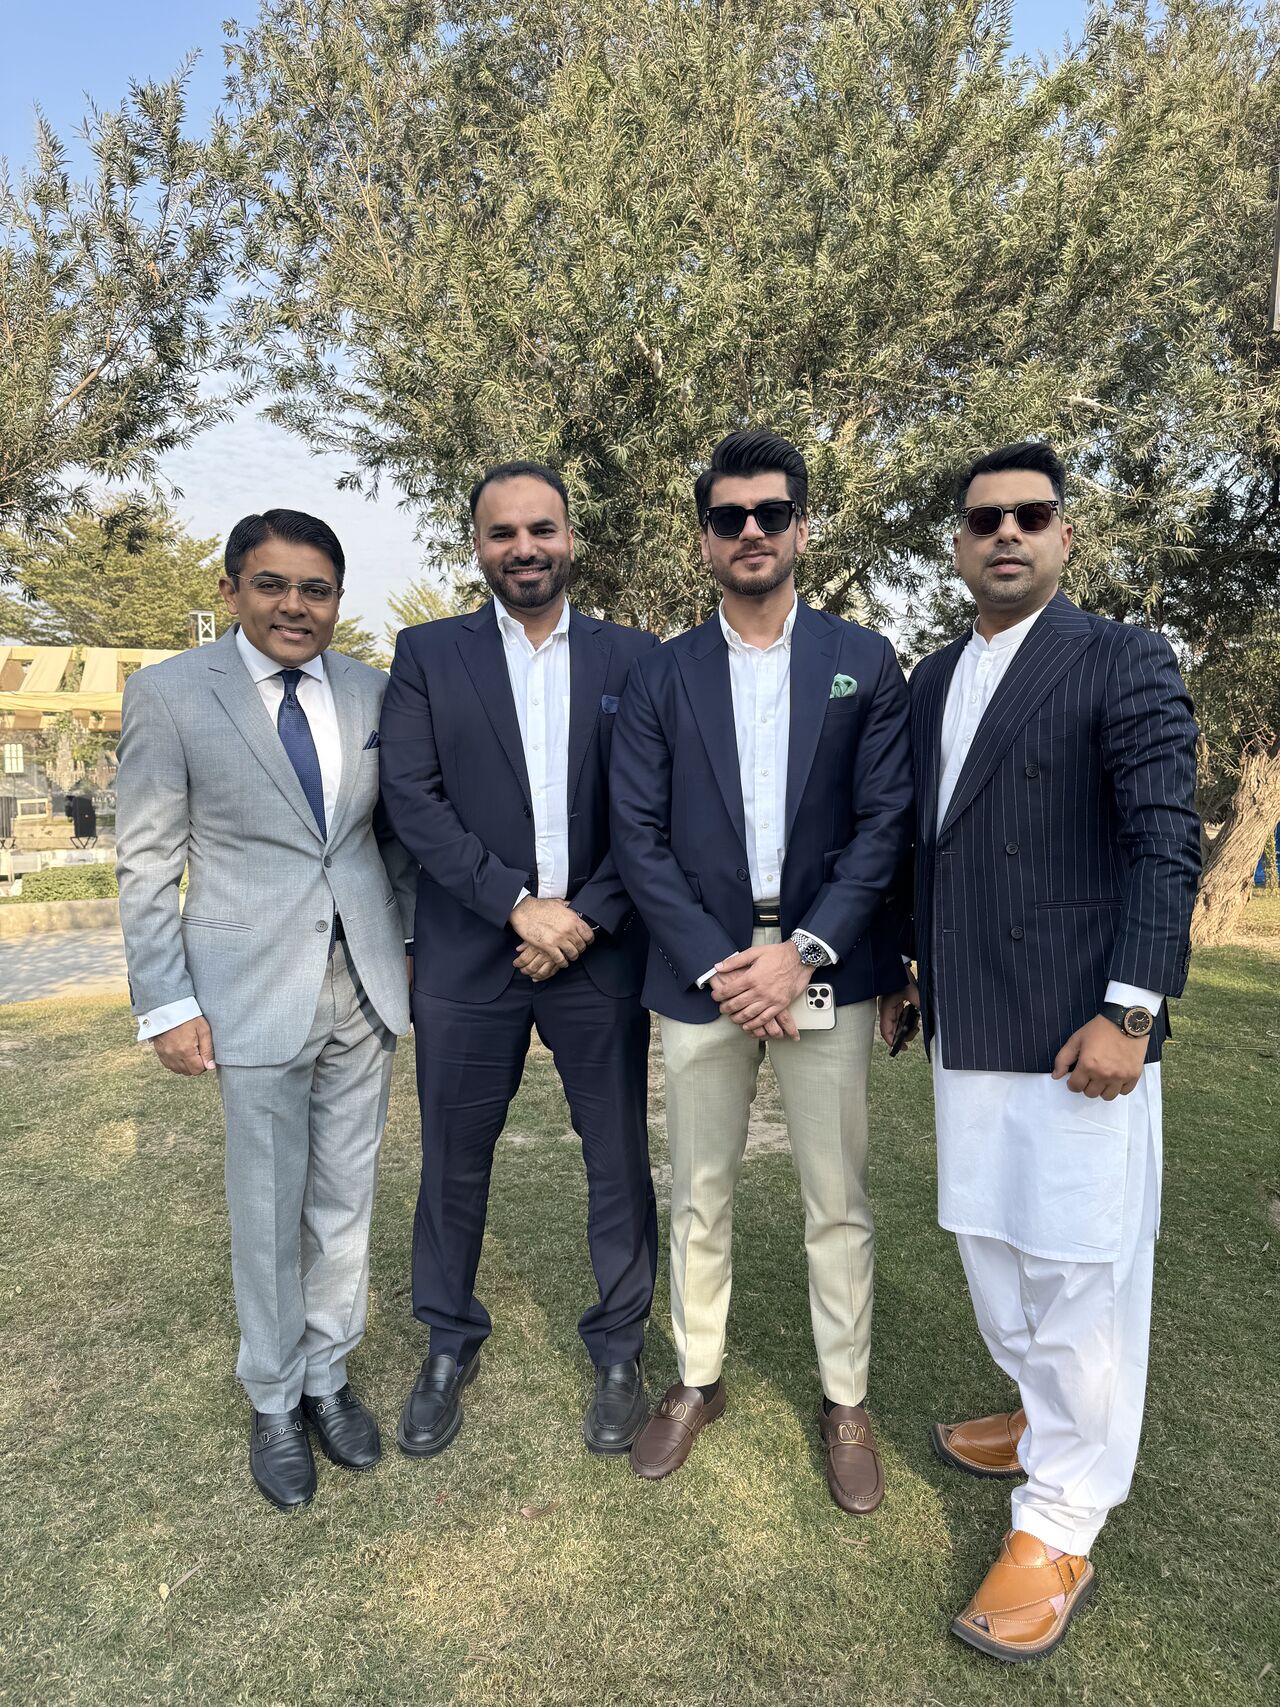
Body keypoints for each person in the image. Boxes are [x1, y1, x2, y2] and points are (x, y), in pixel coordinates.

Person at [880, 441, 1200, 1661]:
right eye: (982, 519)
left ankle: (1060, 1518)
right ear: (957, 546)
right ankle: (1040, 1416)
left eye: (1029, 514)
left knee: (1077, 1273)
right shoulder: (929, 678)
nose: (1004, 533)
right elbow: (925, 846)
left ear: (1063, 535)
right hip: (971, 1019)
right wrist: (904, 968)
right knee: (991, 1250)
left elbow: (1165, 840)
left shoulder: (1120, 656)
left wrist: (1131, 1012)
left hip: (1079, 1033)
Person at [610, 429, 913, 1510]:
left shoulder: (864, 659)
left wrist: (801, 955)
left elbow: (883, 824)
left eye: (770, 513)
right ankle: (697, 1379)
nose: (751, 531)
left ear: (801, 530)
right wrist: (723, 967)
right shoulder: (660, 673)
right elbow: (637, 836)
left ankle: (846, 1400)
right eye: (729, 516)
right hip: (702, 969)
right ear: (704, 539)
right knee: (699, 1189)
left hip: (823, 955)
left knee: (837, 1196)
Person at [115, 509, 415, 1512]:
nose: (295, 606)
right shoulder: (168, 694)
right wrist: (166, 1002)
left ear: (337, 599)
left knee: (345, 1198)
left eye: (315, 589)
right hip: (246, 990)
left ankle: (329, 1374)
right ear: (231, 589)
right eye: (273, 584)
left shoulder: (374, 690)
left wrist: (405, 942)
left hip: (361, 986)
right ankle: (275, 1397)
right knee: (266, 1202)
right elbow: (146, 863)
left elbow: (396, 835)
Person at [378, 461, 658, 1458]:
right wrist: (516, 906)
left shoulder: (635, 657)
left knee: (617, 1159)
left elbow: (651, 809)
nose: (524, 548)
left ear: (571, 537)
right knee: (452, 1162)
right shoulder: (426, 655)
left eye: (542, 528)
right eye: (503, 532)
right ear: (477, 546)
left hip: (598, 954)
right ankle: (448, 1340)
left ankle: (619, 1348)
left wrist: (582, 916)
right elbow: (412, 799)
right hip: (468, 954)